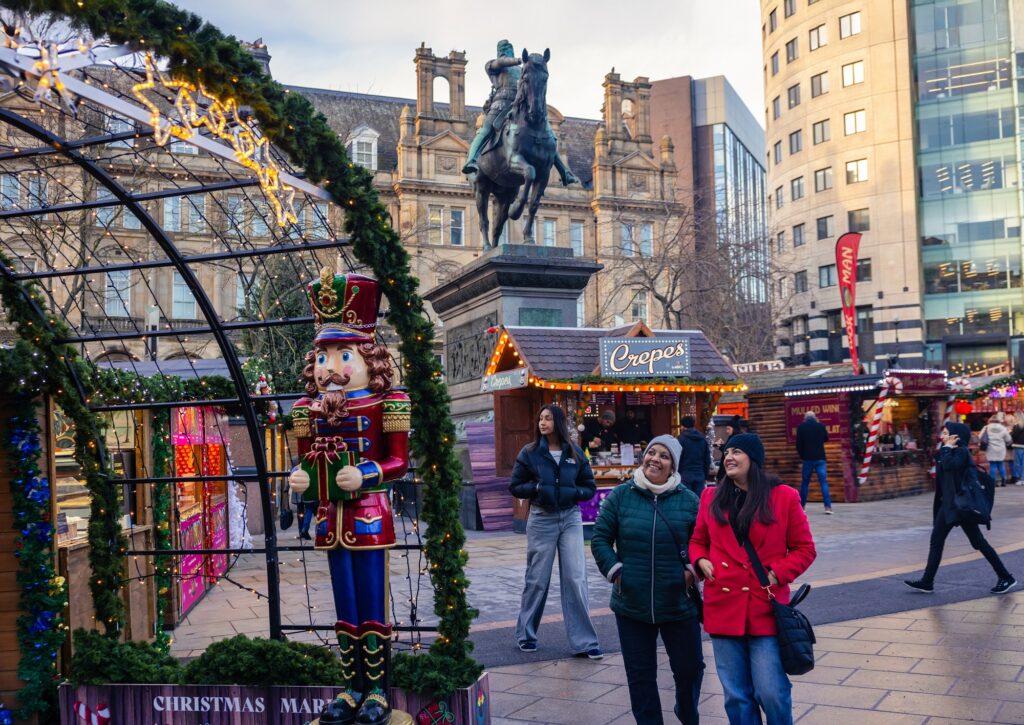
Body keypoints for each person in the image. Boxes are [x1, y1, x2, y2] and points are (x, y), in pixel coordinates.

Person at [287, 268, 411, 724]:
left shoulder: (389, 404)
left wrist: (367, 474)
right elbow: (303, 461)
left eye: (343, 354)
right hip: (330, 520)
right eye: (323, 357)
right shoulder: (306, 411)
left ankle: (377, 690)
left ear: (368, 357)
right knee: (343, 604)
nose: (330, 369)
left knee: (371, 601)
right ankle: (351, 687)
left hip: (370, 517)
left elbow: (399, 462)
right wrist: (298, 478)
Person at [690, 433, 816, 725]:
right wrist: (700, 560)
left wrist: (776, 573)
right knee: (736, 695)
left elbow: (805, 549)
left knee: (770, 690)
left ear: (754, 459)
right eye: (727, 452)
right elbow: (698, 540)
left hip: (764, 606)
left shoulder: (783, 496)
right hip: (723, 604)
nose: (729, 457)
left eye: (737, 452)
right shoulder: (711, 496)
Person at [591, 435, 703, 724]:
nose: (655, 459)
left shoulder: (689, 501)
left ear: (673, 465)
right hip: (632, 602)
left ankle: (687, 710)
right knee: (640, 675)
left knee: (690, 668)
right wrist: (616, 571)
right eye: (651, 452)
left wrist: (692, 570)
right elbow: (601, 538)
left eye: (664, 456)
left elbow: (704, 543)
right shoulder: (622, 495)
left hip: (678, 601)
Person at [508, 404, 603, 658]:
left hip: (570, 517)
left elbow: (589, 486)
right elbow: (515, 486)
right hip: (541, 518)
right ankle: (526, 634)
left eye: (548, 418)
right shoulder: (529, 453)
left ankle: (585, 642)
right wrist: (538, 488)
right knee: (537, 578)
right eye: (540, 418)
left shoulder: (574, 452)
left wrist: (575, 493)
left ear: (558, 422)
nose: (542, 422)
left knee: (575, 577)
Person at [905, 421, 1017, 595]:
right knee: (937, 540)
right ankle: (927, 581)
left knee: (978, 542)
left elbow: (950, 466)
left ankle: (1006, 577)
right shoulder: (948, 451)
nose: (942, 435)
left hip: (961, 506)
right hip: (949, 505)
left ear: (956, 436)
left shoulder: (961, 452)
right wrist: (944, 449)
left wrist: (947, 448)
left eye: (946, 432)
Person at [462, 39, 578, 186]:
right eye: (504, 49)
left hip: (518, 105)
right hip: (499, 105)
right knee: (485, 130)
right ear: (500, 52)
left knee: (547, 135)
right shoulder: (493, 66)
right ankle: (471, 160)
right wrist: (518, 60)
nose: (506, 52)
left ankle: (564, 171)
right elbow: (501, 62)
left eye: (509, 49)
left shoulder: (522, 69)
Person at [795, 410, 833, 514]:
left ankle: (802, 507)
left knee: (805, 483)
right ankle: (828, 507)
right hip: (820, 458)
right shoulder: (821, 426)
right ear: (815, 417)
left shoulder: (801, 427)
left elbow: (798, 444)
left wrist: (802, 455)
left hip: (807, 459)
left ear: (805, 418)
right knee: (823, 482)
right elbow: (826, 439)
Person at [677, 415, 712, 496]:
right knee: (699, 502)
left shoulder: (680, 439)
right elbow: (707, 459)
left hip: (684, 475)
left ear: (683, 426)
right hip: (700, 474)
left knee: (686, 501)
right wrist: (705, 476)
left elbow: (677, 458)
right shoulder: (702, 439)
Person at [984, 412, 1012, 486]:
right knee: (1000, 464)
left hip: (990, 448)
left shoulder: (986, 427)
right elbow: (1008, 439)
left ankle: (993, 482)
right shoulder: (1003, 428)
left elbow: (981, 437)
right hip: (1001, 449)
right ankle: (1003, 481)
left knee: (992, 465)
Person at [1011, 411, 1024, 485]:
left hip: (1018, 446)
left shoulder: (1017, 426)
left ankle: (1019, 478)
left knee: (1018, 463)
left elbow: (1013, 436)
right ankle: (1023, 478)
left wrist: (1010, 433)